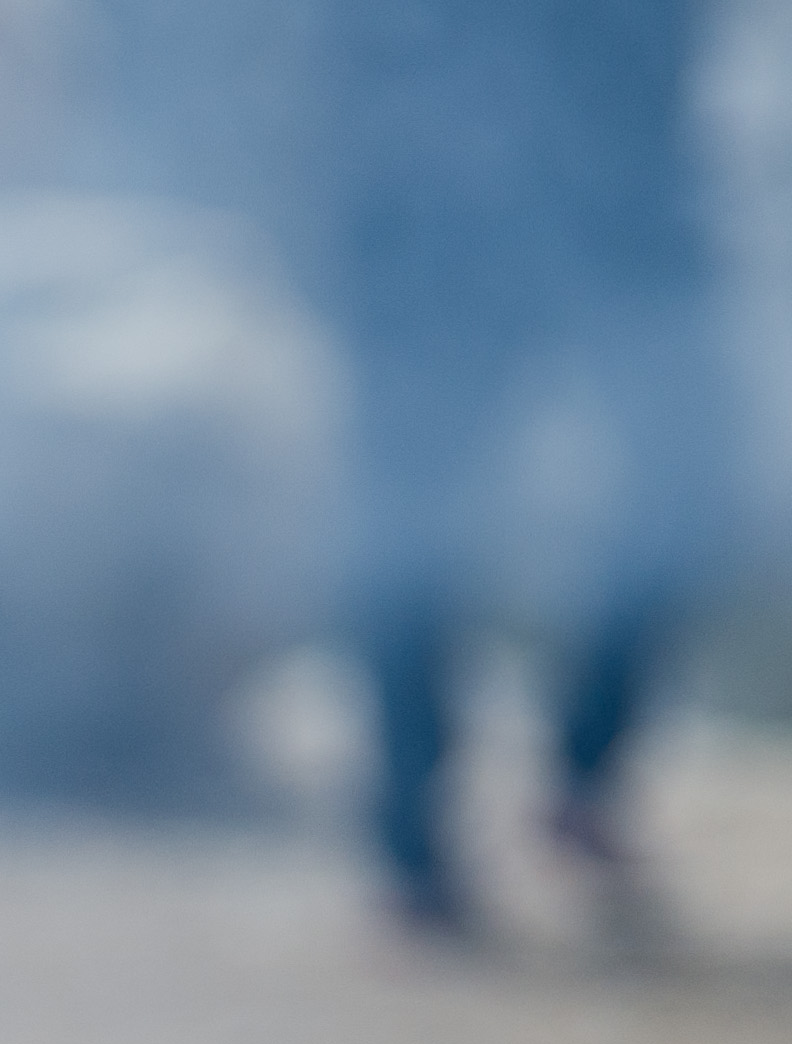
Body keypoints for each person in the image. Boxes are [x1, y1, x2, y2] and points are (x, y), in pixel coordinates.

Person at [323, 0, 728, 936]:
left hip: (626, 194)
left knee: (689, 483)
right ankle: (408, 848)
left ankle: (584, 772)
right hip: (433, 203)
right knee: (406, 524)